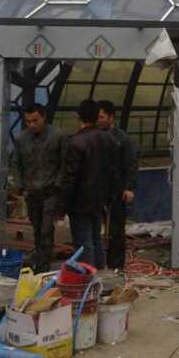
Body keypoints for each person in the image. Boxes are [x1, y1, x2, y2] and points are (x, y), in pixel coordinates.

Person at [58, 99, 114, 268]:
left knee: (83, 243)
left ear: (79, 117)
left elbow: (70, 178)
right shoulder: (108, 139)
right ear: (97, 117)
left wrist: (61, 207)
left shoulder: (76, 142)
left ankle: (87, 277)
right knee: (96, 238)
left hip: (80, 201)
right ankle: (100, 273)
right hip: (99, 199)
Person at [10, 103, 65, 273]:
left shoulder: (58, 136)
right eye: (28, 122)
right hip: (31, 192)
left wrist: (58, 185)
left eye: (35, 120)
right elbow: (16, 164)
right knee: (37, 228)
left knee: (46, 228)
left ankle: (43, 265)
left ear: (44, 117)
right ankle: (41, 256)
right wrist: (20, 187)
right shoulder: (21, 139)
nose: (32, 125)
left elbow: (64, 164)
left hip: (50, 191)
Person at [96, 100, 137, 271]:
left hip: (117, 190)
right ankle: (98, 264)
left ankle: (116, 266)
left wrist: (129, 187)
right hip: (97, 190)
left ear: (111, 117)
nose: (98, 120)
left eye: (101, 117)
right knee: (96, 229)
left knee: (116, 230)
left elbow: (131, 164)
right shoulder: (94, 137)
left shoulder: (123, 139)